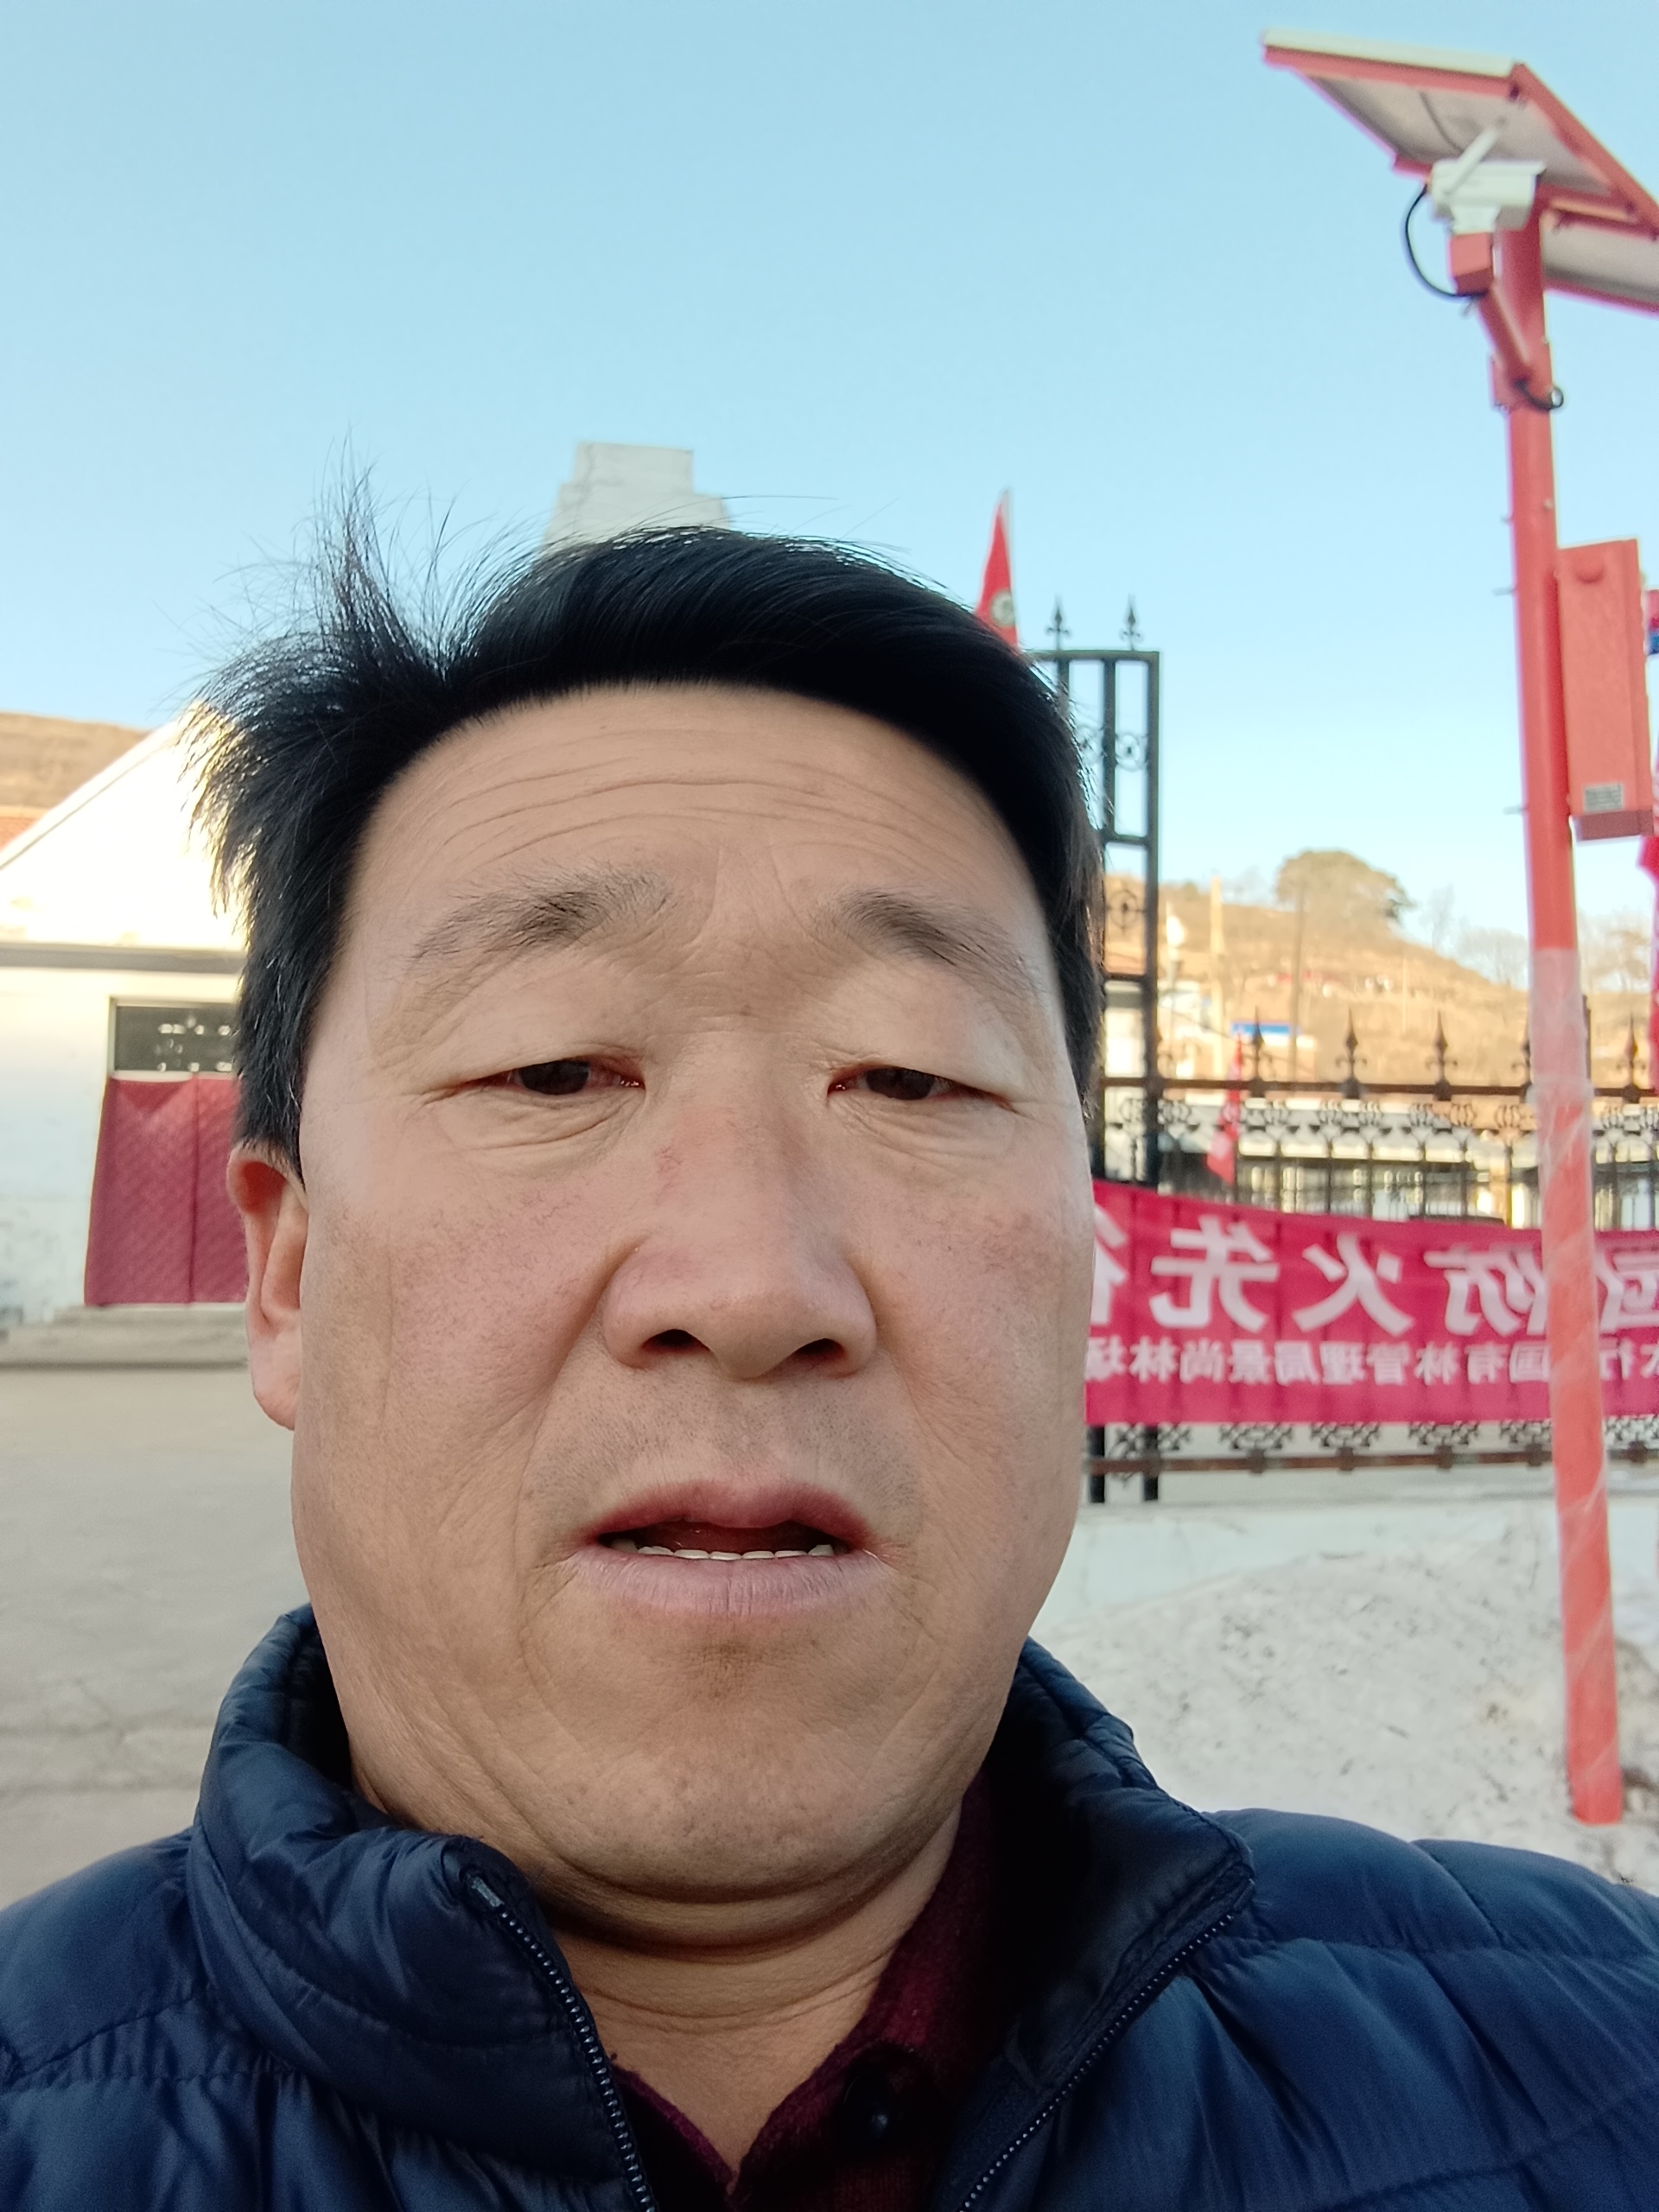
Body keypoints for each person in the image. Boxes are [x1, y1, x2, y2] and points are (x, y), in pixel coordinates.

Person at [2, 526, 1656, 2212]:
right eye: (553, 1068)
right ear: (289, 1271)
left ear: (1088, 1247)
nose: (751, 1285)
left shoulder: (1596, 2058)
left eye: (913, 1078)